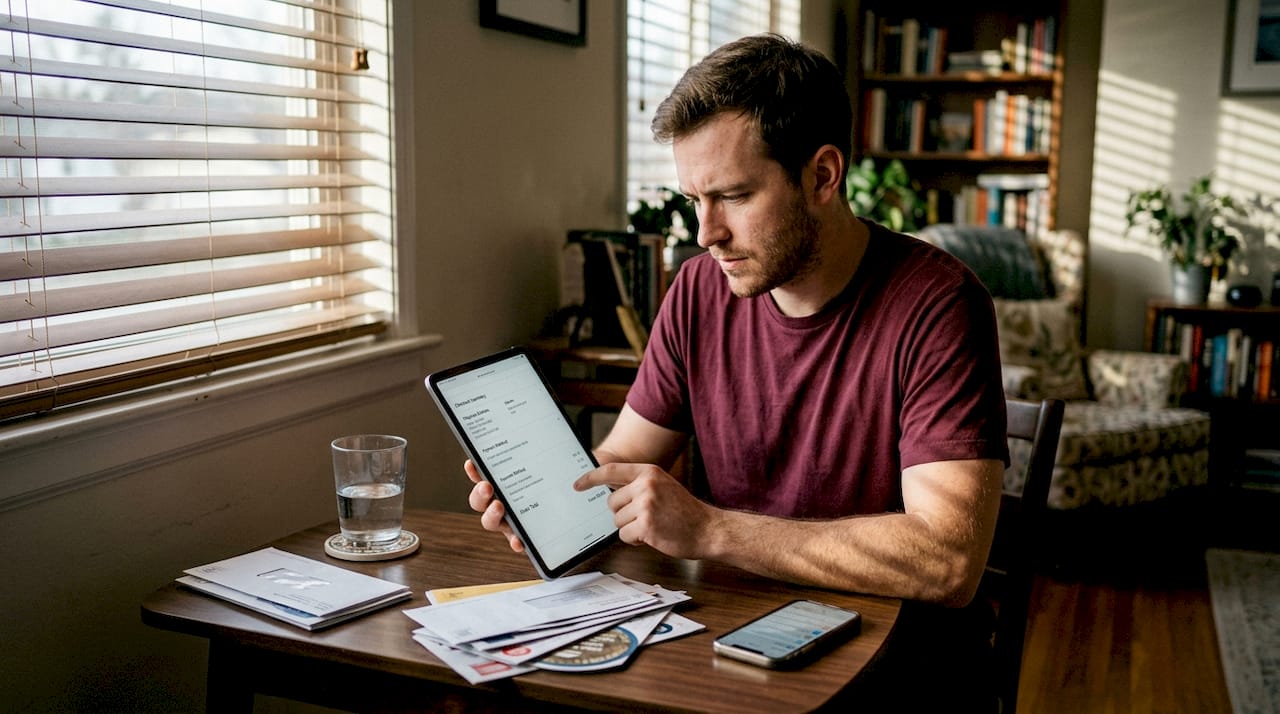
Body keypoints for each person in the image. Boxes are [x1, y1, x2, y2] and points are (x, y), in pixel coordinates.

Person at [466, 33, 1009, 710]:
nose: (706, 232)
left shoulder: (939, 305)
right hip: (728, 643)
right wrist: (544, 502)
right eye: (694, 199)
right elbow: (621, 460)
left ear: (822, 176)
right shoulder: (698, 291)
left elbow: (947, 561)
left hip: (897, 672)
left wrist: (712, 530)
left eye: (733, 196)